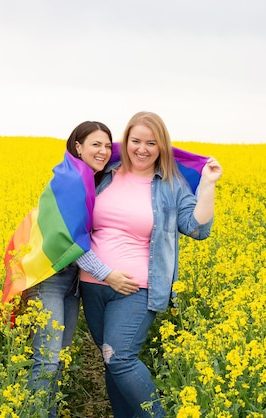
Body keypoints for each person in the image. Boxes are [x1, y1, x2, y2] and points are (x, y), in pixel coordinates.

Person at [79, 111, 223, 417]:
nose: (142, 149)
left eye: (151, 143)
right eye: (135, 141)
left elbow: (197, 229)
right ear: (126, 141)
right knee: (110, 361)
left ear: (162, 147)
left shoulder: (171, 184)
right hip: (93, 283)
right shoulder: (105, 174)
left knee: (119, 358)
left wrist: (208, 185)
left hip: (136, 287)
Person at [2, 120, 132, 418]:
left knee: (58, 359)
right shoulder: (71, 181)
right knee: (47, 360)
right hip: (49, 278)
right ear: (77, 146)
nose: (102, 151)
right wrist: (108, 275)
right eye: (94, 144)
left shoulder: (85, 177)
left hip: (70, 282)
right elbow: (71, 242)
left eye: (106, 145)